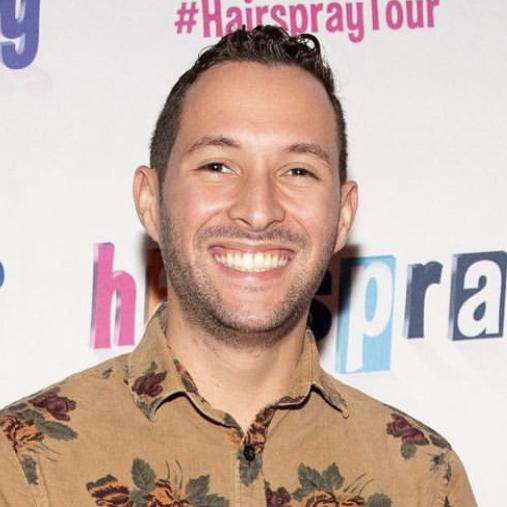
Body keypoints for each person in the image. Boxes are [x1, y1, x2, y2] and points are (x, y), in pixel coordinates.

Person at [0, 26, 476, 506]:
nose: (258, 210)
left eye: (298, 171)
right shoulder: (26, 464)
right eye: (218, 166)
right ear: (150, 202)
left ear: (343, 216)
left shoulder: (422, 478)